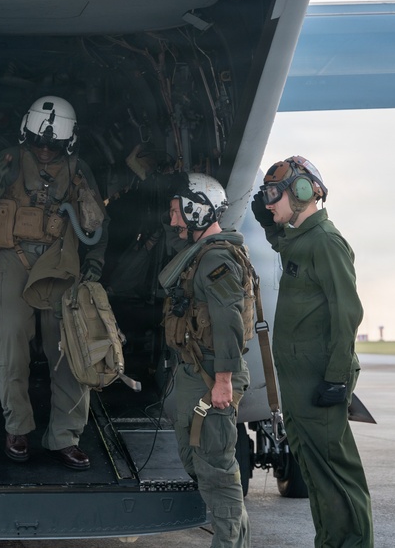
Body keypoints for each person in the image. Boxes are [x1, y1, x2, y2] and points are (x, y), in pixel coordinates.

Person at [0, 95, 109, 470]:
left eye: (54, 145)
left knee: (69, 348)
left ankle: (65, 436)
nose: (45, 151)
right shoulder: (10, 161)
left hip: (61, 264)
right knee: (11, 337)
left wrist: (94, 264)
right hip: (15, 259)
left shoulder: (79, 171)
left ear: (69, 143)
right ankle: (17, 426)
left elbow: (97, 223)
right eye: (39, 143)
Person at [251, 155, 374, 548]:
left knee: (337, 476)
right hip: (300, 384)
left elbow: (347, 313)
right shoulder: (302, 239)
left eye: (275, 195)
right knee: (317, 476)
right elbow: (287, 244)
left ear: (304, 192)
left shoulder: (327, 243)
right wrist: (268, 223)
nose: (269, 203)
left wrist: (338, 379)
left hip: (320, 380)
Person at [158, 173, 252, 548]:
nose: (173, 220)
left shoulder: (216, 258)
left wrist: (224, 379)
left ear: (197, 209)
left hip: (213, 373)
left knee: (216, 471)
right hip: (197, 372)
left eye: (177, 211)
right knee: (197, 459)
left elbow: (228, 319)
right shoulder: (200, 254)